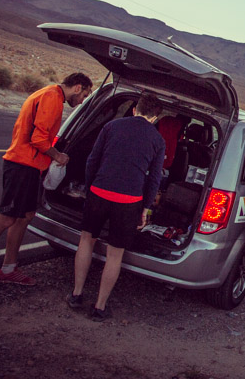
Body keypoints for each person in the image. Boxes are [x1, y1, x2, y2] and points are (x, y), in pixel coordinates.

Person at [0, 72, 94, 292]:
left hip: (31, 167)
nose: (82, 101)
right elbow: (38, 140)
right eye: (85, 95)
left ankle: (9, 268)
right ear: (77, 87)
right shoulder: (52, 98)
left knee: (25, 216)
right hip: (21, 165)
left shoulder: (51, 95)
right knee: (5, 217)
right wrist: (57, 156)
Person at [68, 93, 165, 321]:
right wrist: (145, 208)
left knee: (86, 241)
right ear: (155, 117)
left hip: (99, 193)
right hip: (129, 202)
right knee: (114, 255)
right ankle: (100, 307)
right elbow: (154, 180)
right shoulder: (158, 140)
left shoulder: (112, 126)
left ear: (135, 109)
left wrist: (91, 188)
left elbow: (93, 160)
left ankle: (76, 294)